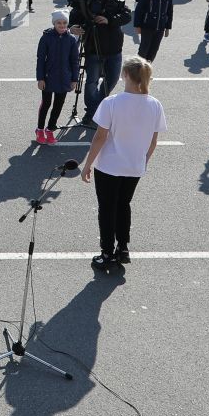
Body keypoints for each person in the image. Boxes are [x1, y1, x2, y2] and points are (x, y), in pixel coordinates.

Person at [80, 55, 166, 271]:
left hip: (109, 165)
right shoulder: (155, 105)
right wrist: (142, 161)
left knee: (107, 208)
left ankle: (107, 252)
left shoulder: (112, 102)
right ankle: (123, 248)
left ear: (125, 75)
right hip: (134, 166)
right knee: (124, 205)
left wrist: (87, 164)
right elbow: (153, 141)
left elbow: (100, 137)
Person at [34, 7, 81, 146]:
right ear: (54, 24)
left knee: (58, 105)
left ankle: (50, 129)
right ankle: (40, 129)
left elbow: (74, 60)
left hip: (64, 78)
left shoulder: (71, 39)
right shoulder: (46, 37)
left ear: (67, 24)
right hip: (48, 77)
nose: (61, 25)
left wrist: (74, 79)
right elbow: (40, 58)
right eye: (58, 23)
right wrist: (40, 78)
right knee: (46, 104)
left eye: (64, 23)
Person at [131, 0, 173, 64]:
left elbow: (169, 12)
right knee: (144, 49)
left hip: (160, 28)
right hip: (147, 27)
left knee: (154, 49)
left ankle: (147, 69)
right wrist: (137, 26)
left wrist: (167, 28)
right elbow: (139, 11)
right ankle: (138, 69)